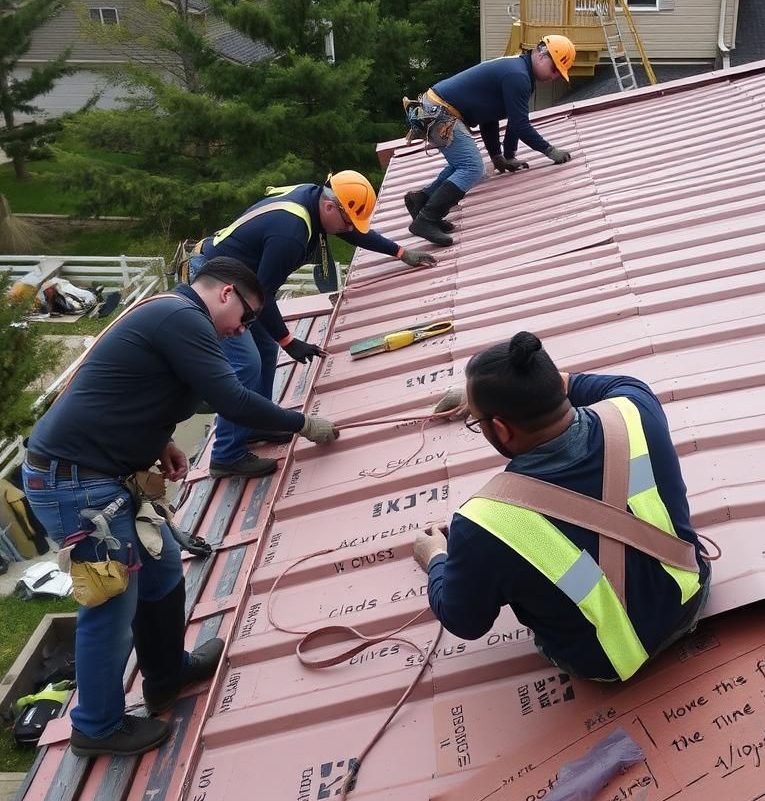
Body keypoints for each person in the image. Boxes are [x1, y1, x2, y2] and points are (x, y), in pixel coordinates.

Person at [22, 258, 339, 757]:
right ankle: (96, 727)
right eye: (248, 316)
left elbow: (138, 388)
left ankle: (166, 674)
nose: (242, 329)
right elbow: (232, 399)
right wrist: (301, 423)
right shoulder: (182, 318)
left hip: (94, 474)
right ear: (226, 294)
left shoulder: (176, 317)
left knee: (164, 567)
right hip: (76, 484)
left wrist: (162, 440)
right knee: (111, 600)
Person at [413, 332, 711, 682]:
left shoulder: (482, 523)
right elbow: (580, 384)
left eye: (477, 422)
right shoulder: (635, 406)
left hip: (607, 665)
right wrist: (501, 393)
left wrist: (435, 558)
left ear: (500, 428)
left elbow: (464, 621)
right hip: (692, 601)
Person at [194, 172, 436, 478]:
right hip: (217, 284)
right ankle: (226, 456)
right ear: (330, 208)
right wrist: (289, 341)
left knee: (265, 350)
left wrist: (400, 253)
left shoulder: (315, 199)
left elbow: (353, 233)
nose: (349, 229)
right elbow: (263, 295)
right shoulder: (290, 234)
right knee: (246, 364)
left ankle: (256, 423)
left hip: (238, 278)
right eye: (347, 221)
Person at [404, 36, 578, 247]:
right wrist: (550, 151)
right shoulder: (518, 76)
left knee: (463, 164)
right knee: (472, 167)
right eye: (555, 70)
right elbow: (520, 124)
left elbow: (491, 119)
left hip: (435, 108)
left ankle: (421, 200)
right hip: (440, 112)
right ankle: (427, 219)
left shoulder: (519, 72)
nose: (555, 77)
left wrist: (500, 157)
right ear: (542, 54)